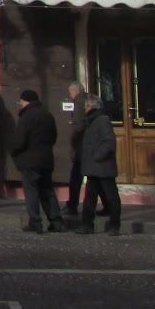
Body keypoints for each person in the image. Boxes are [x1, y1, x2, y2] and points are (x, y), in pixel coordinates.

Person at [9, 89, 65, 233]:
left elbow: (19, 140)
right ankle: (56, 221)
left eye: (21, 101)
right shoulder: (47, 115)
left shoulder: (26, 117)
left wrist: (13, 151)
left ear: (26, 101)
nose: (20, 104)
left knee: (31, 191)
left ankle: (35, 222)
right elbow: (53, 137)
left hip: (29, 160)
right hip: (46, 159)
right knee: (48, 191)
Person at [76, 94, 122, 236]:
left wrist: (97, 156)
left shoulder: (102, 120)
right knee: (89, 198)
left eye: (86, 106)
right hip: (93, 167)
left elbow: (109, 143)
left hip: (103, 166)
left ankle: (114, 225)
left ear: (91, 106)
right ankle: (87, 225)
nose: (84, 108)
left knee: (112, 197)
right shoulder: (91, 120)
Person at [63, 80, 87, 216]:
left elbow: (78, 126)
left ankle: (72, 205)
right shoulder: (87, 99)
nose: (70, 95)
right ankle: (108, 204)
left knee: (75, 178)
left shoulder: (78, 103)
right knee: (95, 179)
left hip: (81, 148)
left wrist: (73, 142)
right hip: (86, 146)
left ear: (75, 91)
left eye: (70, 92)